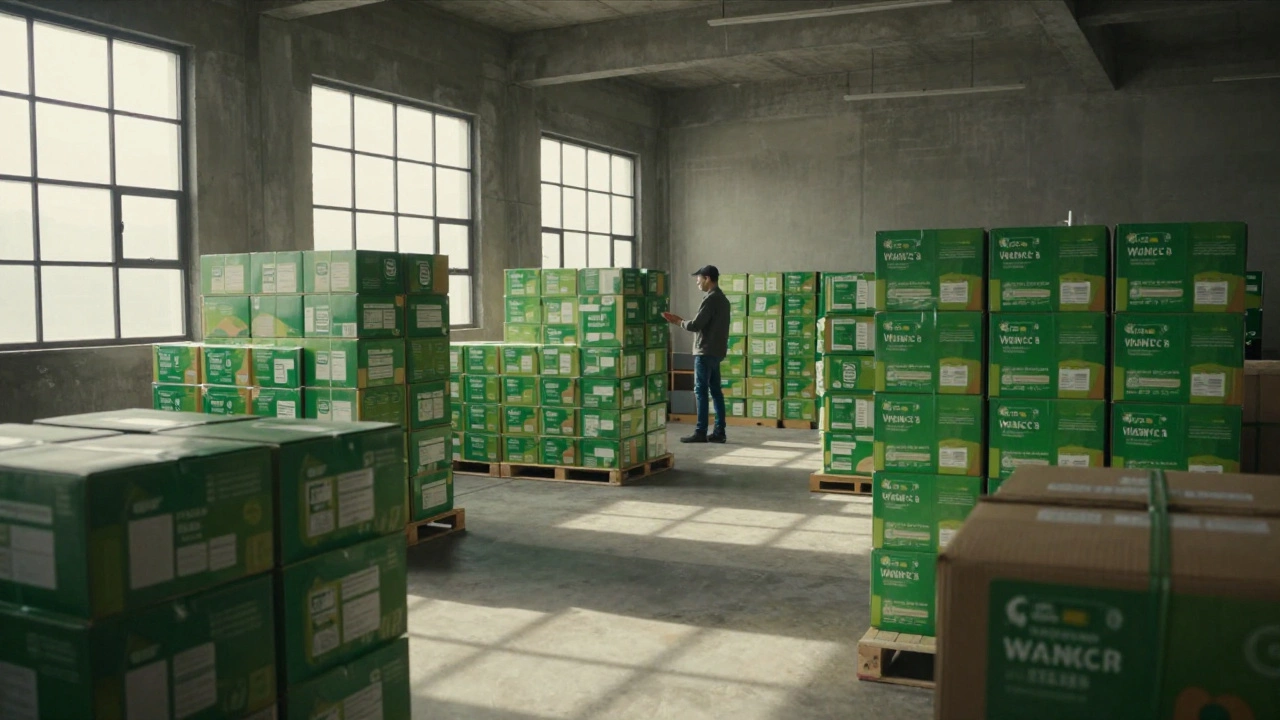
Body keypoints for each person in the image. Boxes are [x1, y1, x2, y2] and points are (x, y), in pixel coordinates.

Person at [663, 265, 731, 444]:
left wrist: (677, 321)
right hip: (717, 352)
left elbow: (695, 325)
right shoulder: (723, 300)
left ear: (707, 278)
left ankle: (701, 431)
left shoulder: (710, 300)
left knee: (700, 391)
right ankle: (719, 431)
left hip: (705, 351)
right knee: (716, 392)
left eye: (698, 279)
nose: (697, 282)